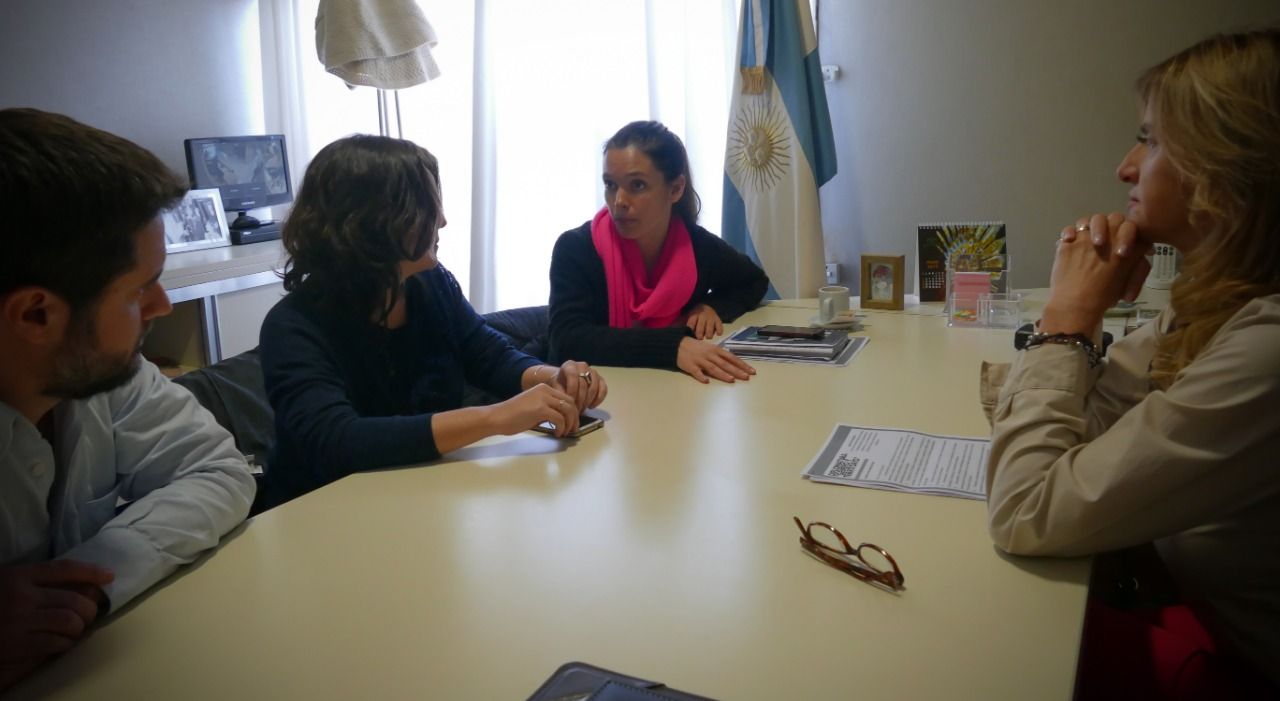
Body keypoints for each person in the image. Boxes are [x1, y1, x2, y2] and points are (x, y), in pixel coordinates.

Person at [985, 29, 1280, 698]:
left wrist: (1067, 317)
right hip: (1184, 604)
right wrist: (1073, 323)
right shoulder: (1217, 303)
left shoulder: (1267, 347)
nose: (1125, 168)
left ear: (1225, 166)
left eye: (1150, 141)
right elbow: (1087, 429)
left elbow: (1025, 507)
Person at [0, 108, 256, 689]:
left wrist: (86, 584)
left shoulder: (98, 372)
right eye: (140, 289)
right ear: (36, 314)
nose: (163, 306)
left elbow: (217, 469)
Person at [258, 135, 607, 510]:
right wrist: (495, 417)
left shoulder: (431, 285)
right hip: (322, 514)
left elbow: (489, 356)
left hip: (419, 499)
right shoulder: (292, 327)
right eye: (427, 206)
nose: (442, 219)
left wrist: (550, 378)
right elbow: (337, 441)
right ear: (374, 222)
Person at [548, 121, 770, 384]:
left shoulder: (696, 245)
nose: (619, 201)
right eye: (610, 184)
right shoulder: (576, 248)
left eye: (637, 185)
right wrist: (672, 347)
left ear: (675, 189)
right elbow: (567, 340)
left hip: (668, 390)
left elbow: (754, 281)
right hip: (593, 396)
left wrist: (711, 306)